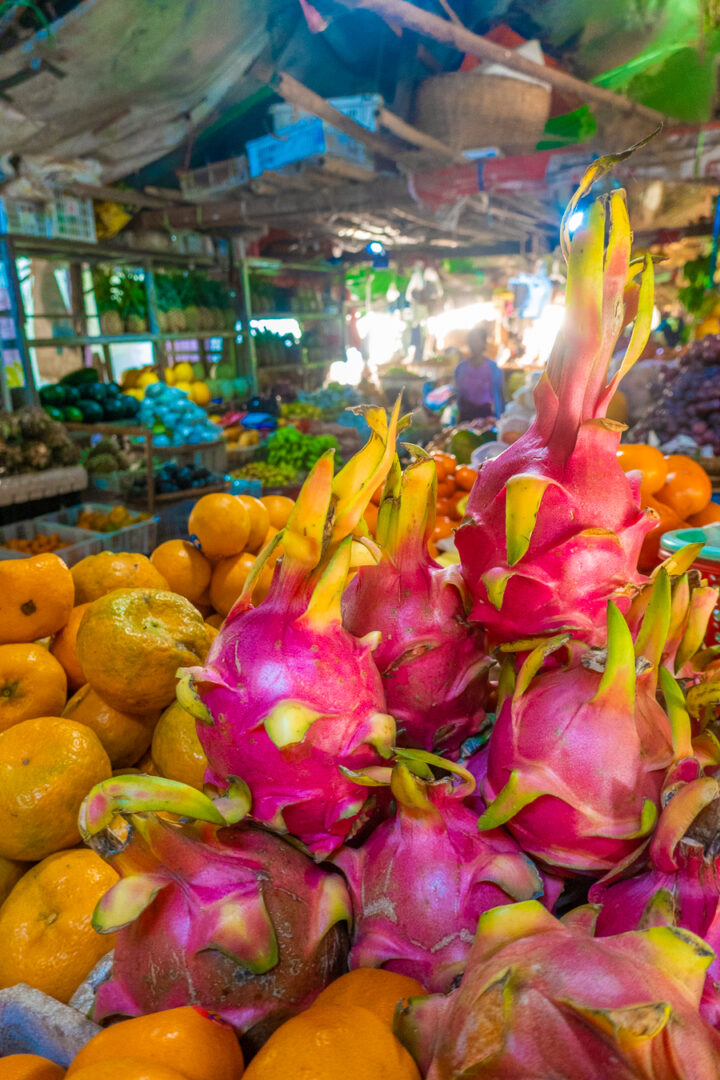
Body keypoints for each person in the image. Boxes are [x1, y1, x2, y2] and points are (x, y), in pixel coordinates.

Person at [454, 324, 503, 422]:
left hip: (486, 414)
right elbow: (458, 394)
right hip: (466, 414)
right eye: (471, 341)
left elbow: (500, 395)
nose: (474, 344)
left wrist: (499, 417)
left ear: (484, 343)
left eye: (477, 341)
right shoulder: (461, 368)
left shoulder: (493, 368)